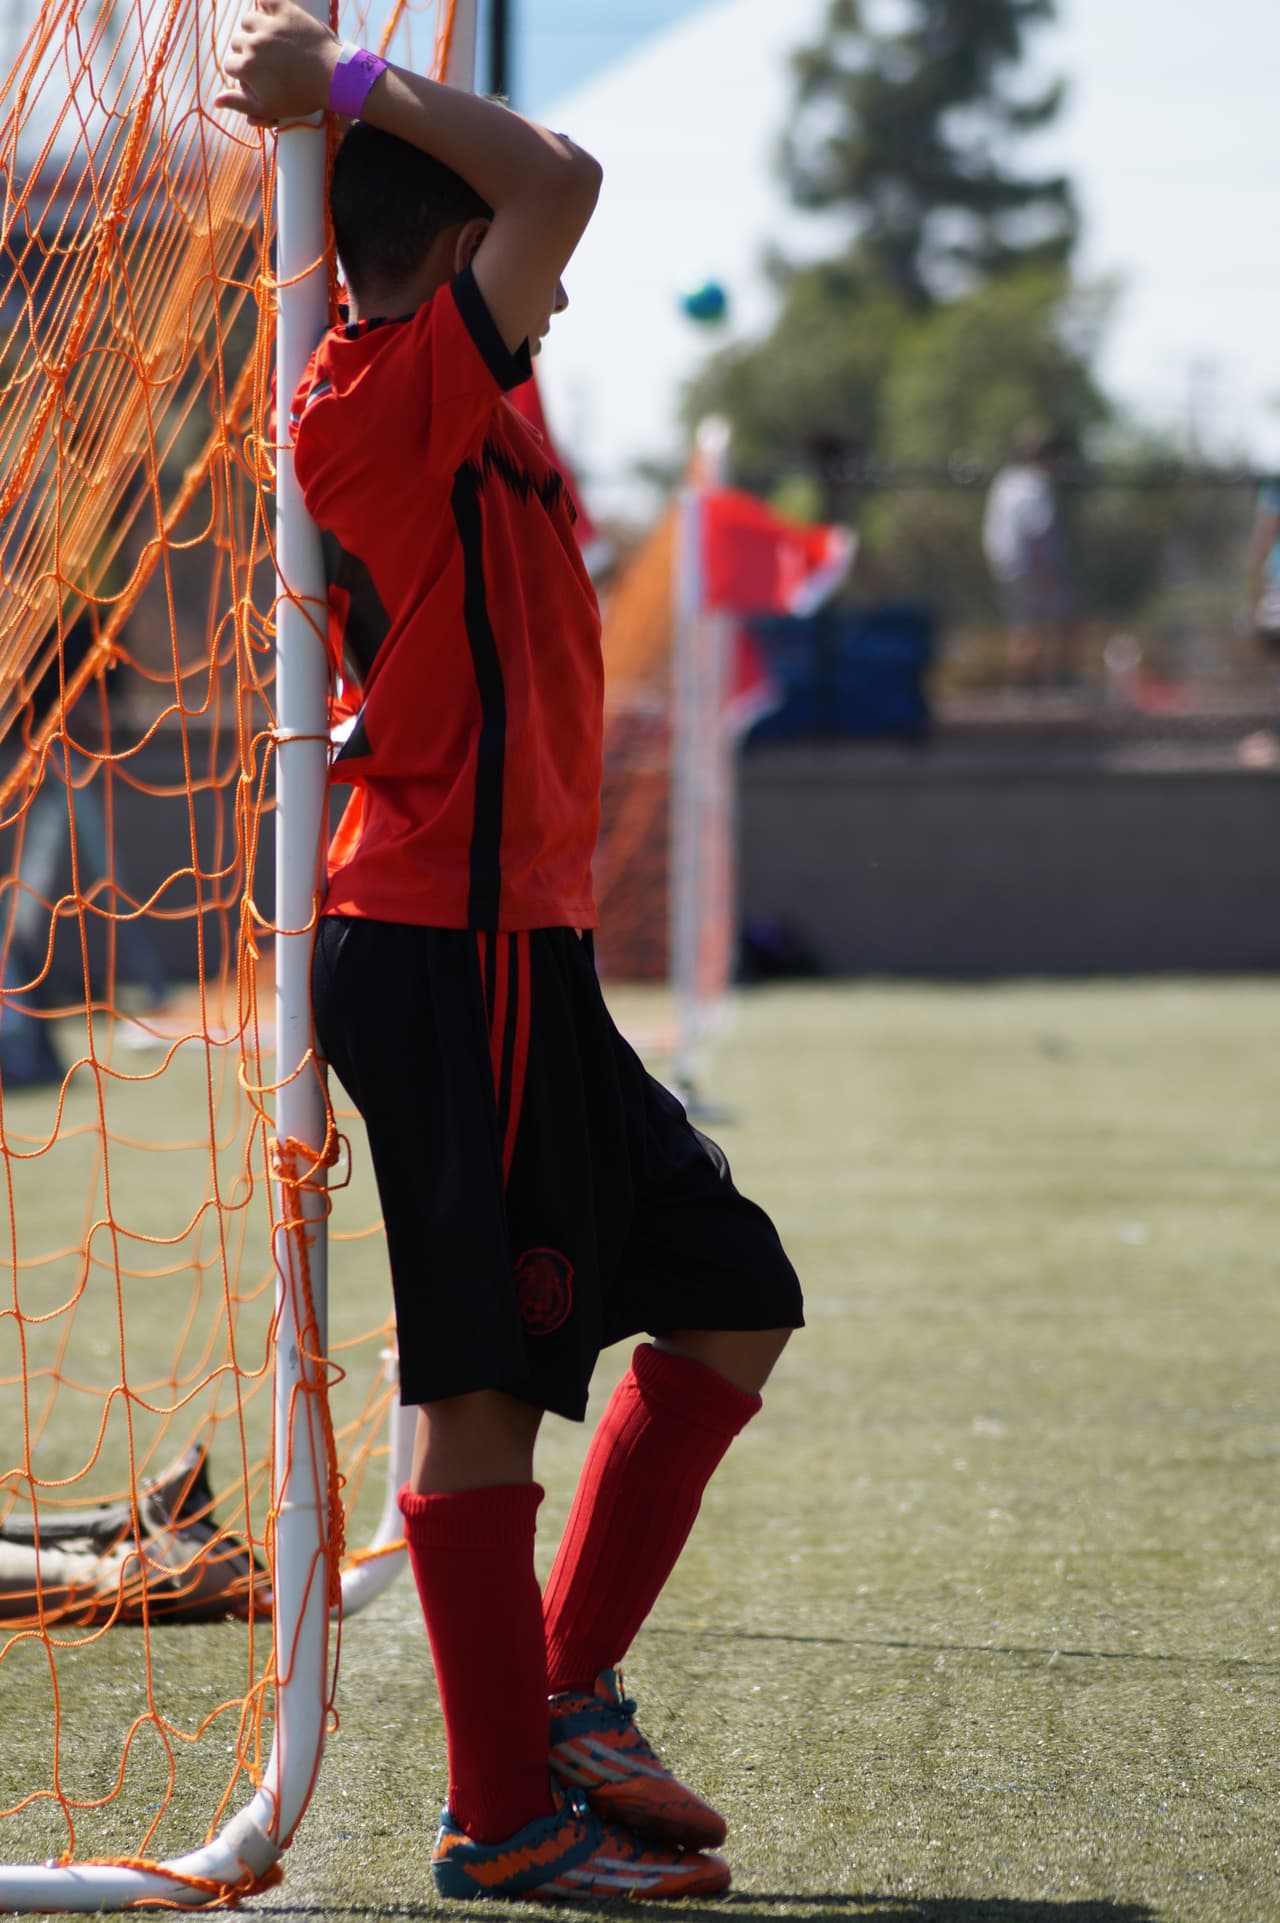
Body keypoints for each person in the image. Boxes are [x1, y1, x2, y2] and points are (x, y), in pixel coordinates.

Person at [216, 2, 803, 1904]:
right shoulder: (378, 396)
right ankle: (498, 1818)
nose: (558, 301)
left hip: (522, 951)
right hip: (436, 948)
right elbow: (564, 176)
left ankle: (564, 1693)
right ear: (464, 254)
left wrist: (355, 114)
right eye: (519, 274)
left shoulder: (477, 386)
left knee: (734, 1288)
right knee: (480, 1382)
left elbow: (530, 200)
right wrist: (346, 88)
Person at [982, 426, 1080, 690]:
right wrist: (1042, 573)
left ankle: (1026, 681)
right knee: (1059, 620)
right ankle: (1055, 679)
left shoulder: (1006, 481)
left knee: (1026, 624)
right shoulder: (1034, 485)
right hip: (1033, 566)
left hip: (1007, 565)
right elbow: (1035, 532)